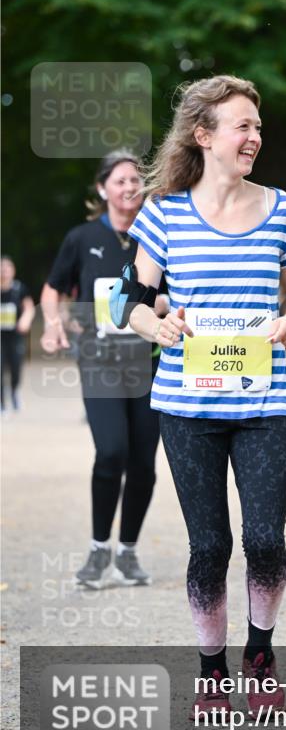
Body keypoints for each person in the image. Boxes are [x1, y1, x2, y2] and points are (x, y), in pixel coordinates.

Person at [125, 74, 286, 720]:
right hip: (187, 406)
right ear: (204, 135)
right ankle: (210, 671)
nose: (254, 136)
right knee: (209, 546)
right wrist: (158, 324)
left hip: (262, 403)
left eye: (258, 126)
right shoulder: (163, 211)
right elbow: (133, 303)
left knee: (264, 539)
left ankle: (259, 656)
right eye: (242, 126)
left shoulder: (280, 207)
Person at [40, 151, 162, 589]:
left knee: (144, 464)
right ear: (102, 188)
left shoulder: (158, 235)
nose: (130, 187)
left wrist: (154, 306)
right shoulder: (82, 237)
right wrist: (53, 325)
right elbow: (53, 289)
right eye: (121, 180)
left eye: (136, 180)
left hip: (149, 363)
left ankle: (127, 551)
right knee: (112, 452)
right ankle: (98, 548)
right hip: (101, 362)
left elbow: (174, 295)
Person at [1, 256, 35, 413]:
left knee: (15, 367)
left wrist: (25, 320)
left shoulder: (19, 288)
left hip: (15, 335)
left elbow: (29, 307)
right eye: (2, 269)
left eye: (7, 269)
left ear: (13, 271)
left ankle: (14, 390)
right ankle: (1, 402)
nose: (4, 272)